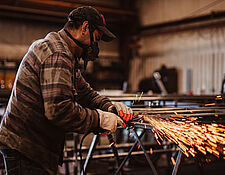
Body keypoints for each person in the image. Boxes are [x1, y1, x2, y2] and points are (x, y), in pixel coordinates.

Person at [0, 6, 133, 175]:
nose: (95, 46)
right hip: (26, 147)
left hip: (30, 145)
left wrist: (110, 108)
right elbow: (58, 111)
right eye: (96, 39)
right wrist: (99, 120)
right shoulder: (58, 54)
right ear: (85, 28)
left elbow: (86, 93)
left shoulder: (64, 53)